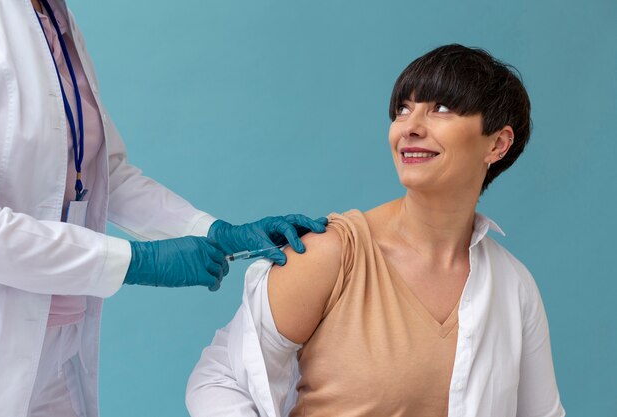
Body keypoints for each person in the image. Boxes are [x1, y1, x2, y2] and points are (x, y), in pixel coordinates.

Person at [186, 44, 565, 417]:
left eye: (441, 109)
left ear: (498, 144)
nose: (410, 128)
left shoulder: (513, 287)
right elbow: (219, 379)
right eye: (402, 110)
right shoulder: (331, 254)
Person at [0, 1, 327, 416]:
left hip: (55, 340)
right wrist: (137, 261)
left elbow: (105, 171)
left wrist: (214, 232)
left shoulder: (57, 19)